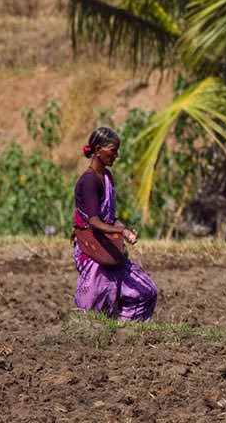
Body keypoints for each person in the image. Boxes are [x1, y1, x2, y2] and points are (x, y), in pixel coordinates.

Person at [71, 126, 158, 321]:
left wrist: (123, 230)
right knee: (93, 311)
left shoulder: (107, 177)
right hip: (92, 247)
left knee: (146, 291)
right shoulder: (89, 181)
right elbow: (94, 222)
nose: (116, 155)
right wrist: (121, 230)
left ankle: (125, 332)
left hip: (108, 246)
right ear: (98, 150)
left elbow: (109, 217)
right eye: (113, 150)